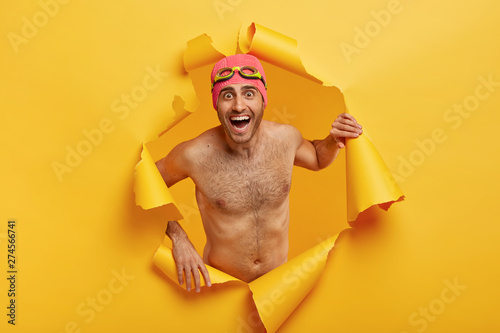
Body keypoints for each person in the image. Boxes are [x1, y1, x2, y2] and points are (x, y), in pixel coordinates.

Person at [155, 54, 362, 292]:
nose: (239, 106)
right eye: (228, 95)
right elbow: (147, 183)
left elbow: (316, 158)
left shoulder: (286, 139)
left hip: (276, 286)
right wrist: (179, 238)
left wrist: (334, 140)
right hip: (221, 286)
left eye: (249, 93)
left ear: (263, 100)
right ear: (216, 103)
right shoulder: (193, 155)